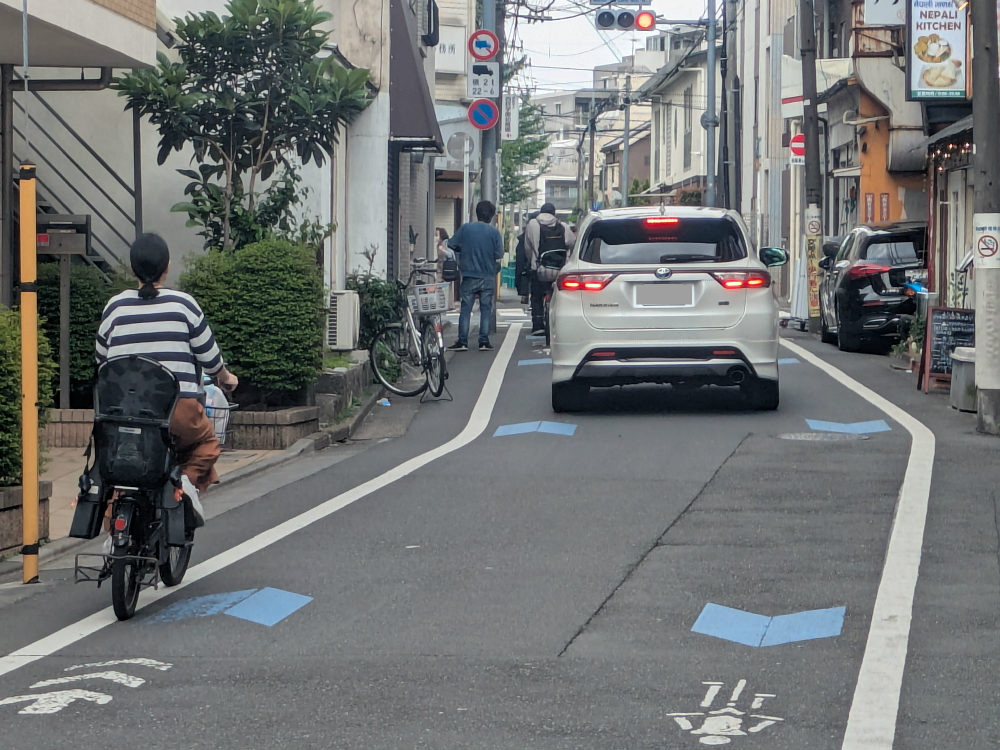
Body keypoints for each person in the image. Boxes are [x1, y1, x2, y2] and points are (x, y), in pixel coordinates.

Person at [95, 233, 239, 526]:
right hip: (177, 412)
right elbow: (210, 358)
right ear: (167, 267)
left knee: (119, 467)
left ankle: (114, 535)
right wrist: (224, 377)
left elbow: (103, 364)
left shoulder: (114, 308)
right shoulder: (184, 305)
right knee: (207, 444)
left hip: (123, 414)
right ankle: (185, 484)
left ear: (132, 268)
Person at [446, 200, 504, 351]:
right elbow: (499, 254)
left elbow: (451, 244)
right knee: (485, 309)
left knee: (466, 309)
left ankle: (462, 342)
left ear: (476, 214)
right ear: (491, 216)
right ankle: (483, 341)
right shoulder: (494, 233)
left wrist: (462, 249)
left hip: (469, 275)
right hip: (487, 276)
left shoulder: (466, 229)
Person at [524, 202, 575, 335]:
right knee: (561, 297)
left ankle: (538, 325)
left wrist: (531, 262)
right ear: (554, 213)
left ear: (541, 212)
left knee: (536, 296)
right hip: (560, 270)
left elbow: (528, 248)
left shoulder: (533, 224)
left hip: (540, 268)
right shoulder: (563, 226)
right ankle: (559, 324)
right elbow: (572, 243)